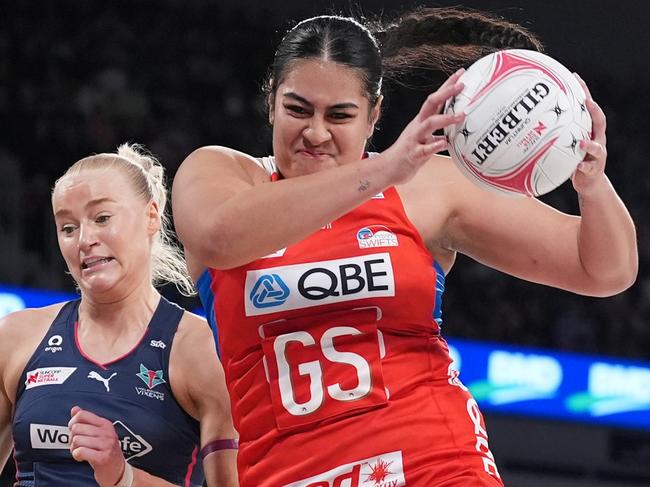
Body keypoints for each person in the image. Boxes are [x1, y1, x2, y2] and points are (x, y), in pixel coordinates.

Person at [171, 7, 637, 487]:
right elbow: (217, 238)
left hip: (435, 461)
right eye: (297, 109)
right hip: (287, 474)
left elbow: (603, 270)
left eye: (340, 115)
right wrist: (382, 171)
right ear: (270, 101)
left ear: (374, 115)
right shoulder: (222, 174)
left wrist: (593, 185)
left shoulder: (424, 187)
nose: (315, 132)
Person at [0, 144, 239, 486]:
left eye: (102, 219)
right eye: (68, 228)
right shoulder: (15, 337)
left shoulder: (201, 350)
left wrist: (124, 476)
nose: (84, 240)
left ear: (151, 216)